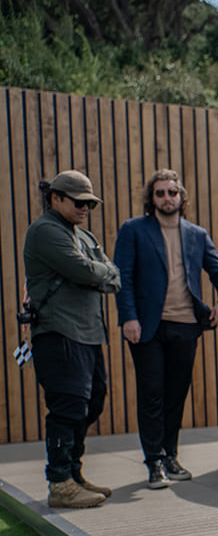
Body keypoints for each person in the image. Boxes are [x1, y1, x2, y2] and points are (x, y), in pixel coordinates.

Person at [114, 169, 218, 488]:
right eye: (160, 193)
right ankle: (153, 462)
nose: (167, 198)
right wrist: (128, 317)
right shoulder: (133, 230)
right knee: (152, 393)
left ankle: (170, 455)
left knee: (176, 394)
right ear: (151, 198)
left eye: (172, 192)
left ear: (182, 197)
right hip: (147, 327)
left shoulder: (197, 234)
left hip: (186, 326)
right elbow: (122, 277)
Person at [22, 170, 121, 508]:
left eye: (90, 203)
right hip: (59, 331)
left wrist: (98, 271)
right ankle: (60, 482)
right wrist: (98, 271)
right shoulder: (46, 230)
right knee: (67, 406)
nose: (86, 208)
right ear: (56, 199)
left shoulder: (84, 235)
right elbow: (84, 270)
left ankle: (74, 474)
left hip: (89, 333)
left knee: (92, 403)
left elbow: (113, 275)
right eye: (79, 202)